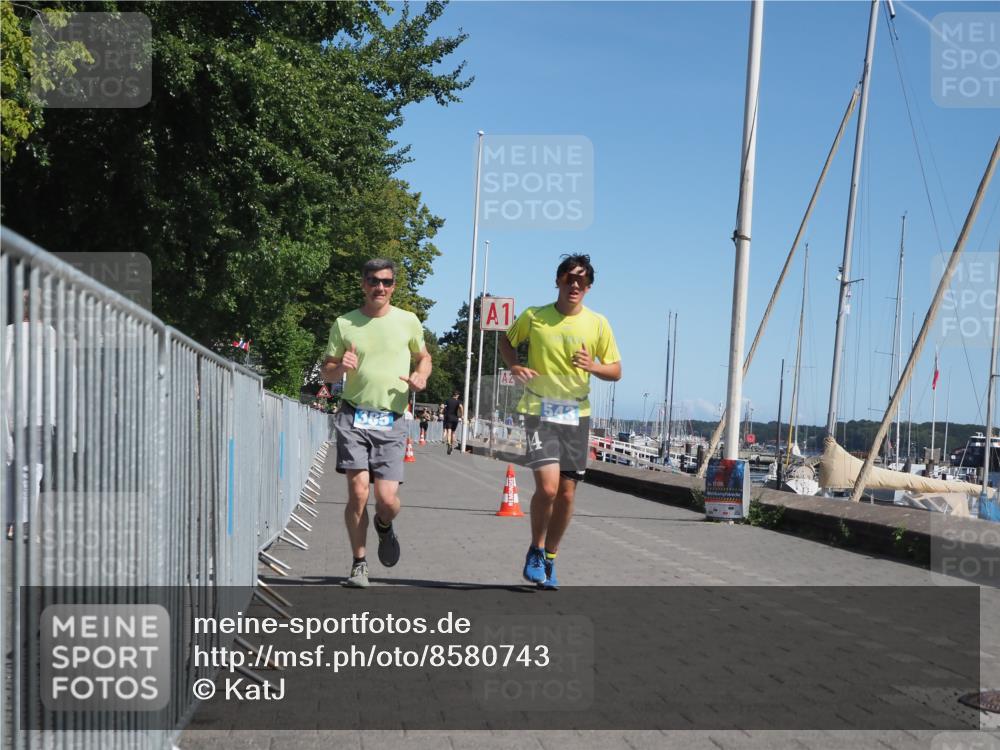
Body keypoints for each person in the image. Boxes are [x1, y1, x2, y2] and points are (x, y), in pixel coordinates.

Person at [499, 254, 621, 590]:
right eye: (569, 279)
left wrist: (593, 366)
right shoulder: (534, 316)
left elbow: (616, 370)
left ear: (589, 287)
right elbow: (506, 340)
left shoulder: (598, 324)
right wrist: (514, 365)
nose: (575, 285)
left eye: (582, 281)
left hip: (576, 416)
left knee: (566, 494)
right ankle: (536, 549)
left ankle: (551, 556)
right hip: (539, 411)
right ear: (558, 281)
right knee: (548, 488)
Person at [321, 258, 432, 588]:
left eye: (385, 281)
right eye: (373, 281)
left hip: (392, 419)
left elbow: (423, 357)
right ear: (363, 284)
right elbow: (326, 370)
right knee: (357, 493)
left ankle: (384, 525)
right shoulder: (345, 324)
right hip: (353, 415)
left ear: (393, 286)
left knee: (385, 500)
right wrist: (340, 367)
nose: (379, 287)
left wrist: (420, 376)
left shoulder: (408, 321)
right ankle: (359, 563)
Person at [442, 391, 463, 455]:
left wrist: (443, 411)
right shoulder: (458, 401)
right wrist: (462, 415)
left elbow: (443, 407)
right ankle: (451, 445)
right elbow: (461, 407)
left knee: (449, 431)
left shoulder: (448, 400)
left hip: (448, 417)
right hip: (455, 418)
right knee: (453, 432)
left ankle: (449, 443)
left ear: (452, 395)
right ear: (457, 395)